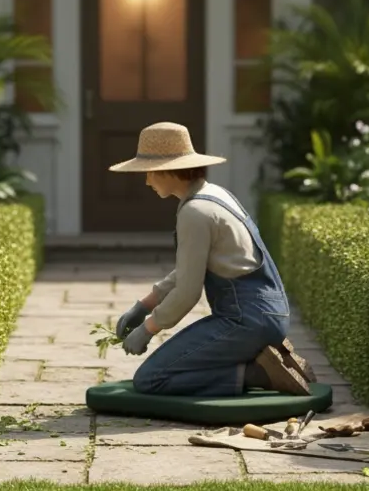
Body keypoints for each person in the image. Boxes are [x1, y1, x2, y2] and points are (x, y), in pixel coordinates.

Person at [109, 122, 315, 396]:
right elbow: (189, 268)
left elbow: (187, 292)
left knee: (151, 379)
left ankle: (260, 372)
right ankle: (266, 357)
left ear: (168, 170)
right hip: (269, 314)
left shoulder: (195, 212)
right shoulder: (215, 195)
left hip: (245, 322)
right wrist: (145, 305)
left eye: (149, 172)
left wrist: (148, 328)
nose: (147, 181)